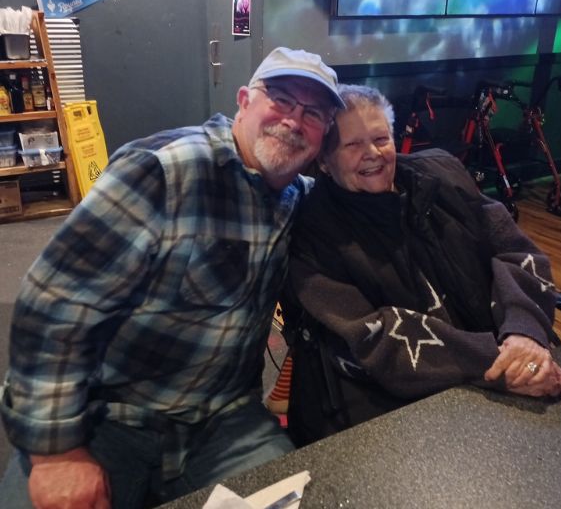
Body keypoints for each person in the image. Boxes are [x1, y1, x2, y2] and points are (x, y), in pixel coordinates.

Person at [0, 47, 345, 508]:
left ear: (322, 137)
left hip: (223, 419)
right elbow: (54, 306)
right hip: (109, 416)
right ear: (244, 100)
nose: (293, 120)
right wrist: (56, 454)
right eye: (280, 100)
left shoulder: (297, 198)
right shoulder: (163, 170)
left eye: (313, 113)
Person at [281, 84, 561, 446]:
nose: (372, 154)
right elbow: (374, 336)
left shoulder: (443, 174)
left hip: (513, 362)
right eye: (352, 145)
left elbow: (513, 250)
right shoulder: (312, 229)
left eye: (381, 138)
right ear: (324, 160)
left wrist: (524, 334)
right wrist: (499, 364)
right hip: (403, 408)